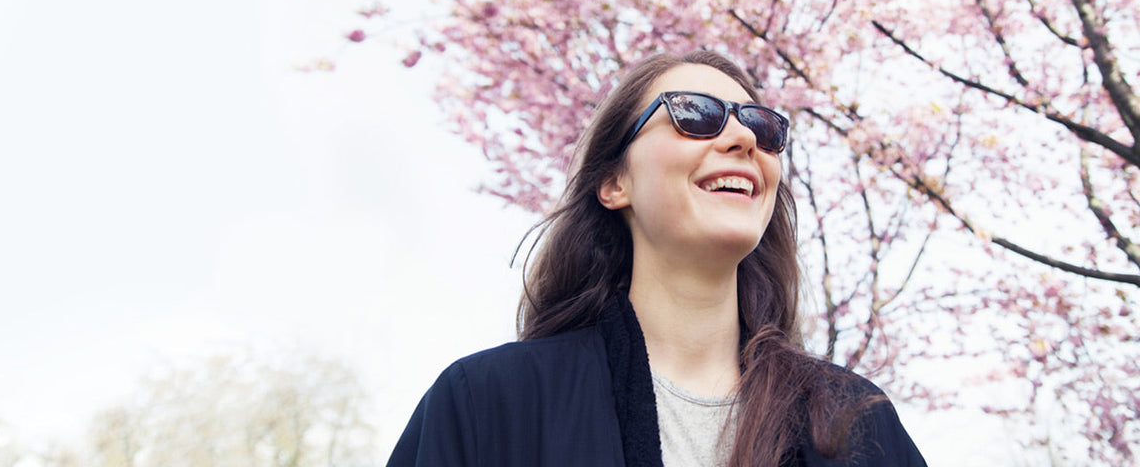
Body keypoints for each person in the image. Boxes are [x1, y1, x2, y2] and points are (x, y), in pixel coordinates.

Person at [387, 50, 927, 467]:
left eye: (763, 126)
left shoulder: (858, 426)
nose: (743, 138)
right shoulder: (487, 404)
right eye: (695, 114)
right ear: (614, 181)